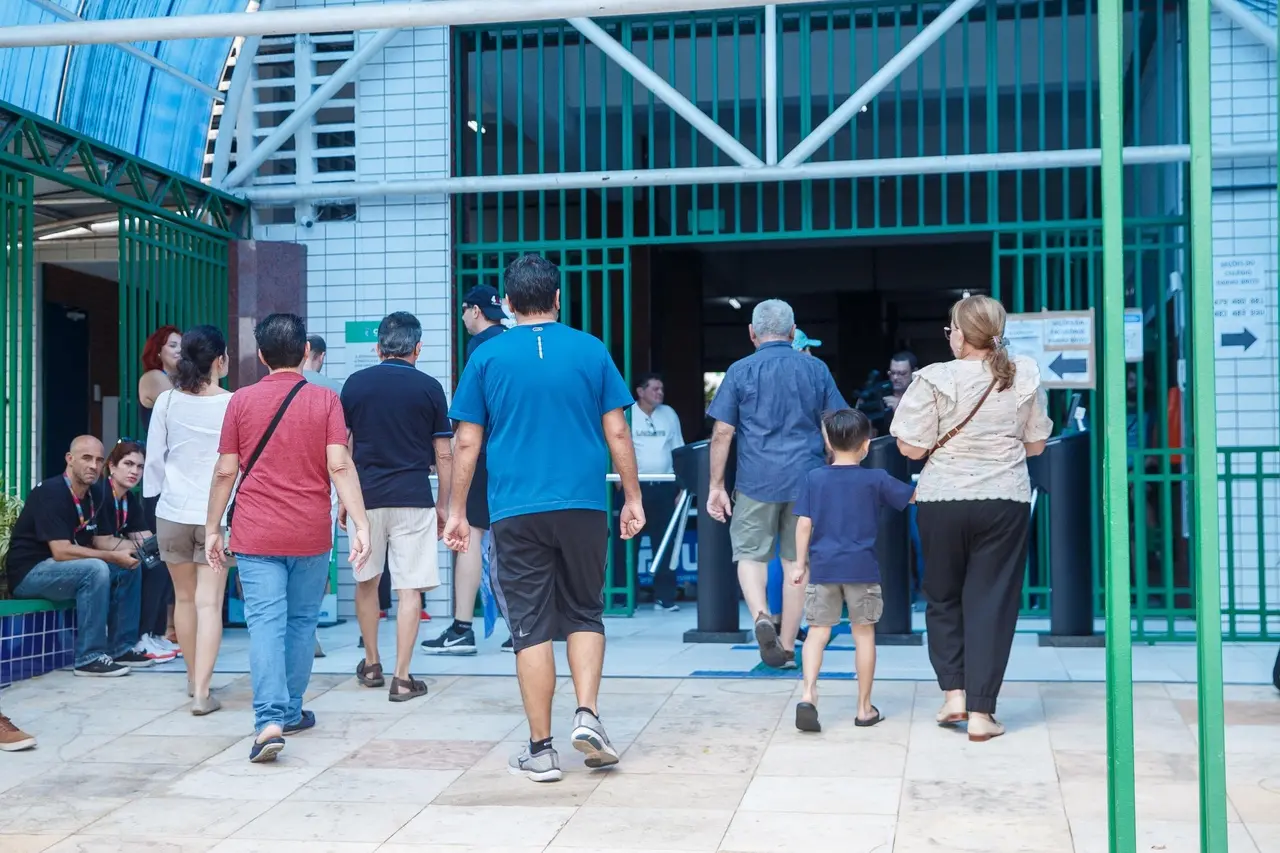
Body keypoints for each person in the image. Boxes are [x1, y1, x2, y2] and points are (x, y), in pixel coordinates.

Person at [443, 254, 645, 783]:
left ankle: (541, 750)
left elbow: (466, 439)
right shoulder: (591, 349)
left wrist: (457, 510)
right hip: (581, 504)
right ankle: (588, 715)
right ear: (558, 298)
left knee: (529, 626)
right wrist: (632, 497)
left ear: (507, 305)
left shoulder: (487, 358)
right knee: (585, 611)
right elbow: (618, 431)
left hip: (515, 510)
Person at [205, 313, 372, 763]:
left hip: (255, 533)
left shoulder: (240, 401)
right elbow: (339, 465)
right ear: (304, 353)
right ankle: (292, 710)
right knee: (301, 623)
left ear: (260, 356)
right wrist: (360, 522)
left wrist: (212, 527)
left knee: (265, 625)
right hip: (310, 534)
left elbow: (225, 470)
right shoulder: (324, 401)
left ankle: (269, 721)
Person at [890, 295, 1052, 742]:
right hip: (1003, 500)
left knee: (942, 598)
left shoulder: (933, 379)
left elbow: (911, 449)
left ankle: (954, 696)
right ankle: (982, 713)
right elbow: (1036, 444)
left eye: (951, 330)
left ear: (960, 334)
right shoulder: (1022, 375)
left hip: (942, 500)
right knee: (991, 603)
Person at [705, 298, 847, 669]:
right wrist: (834, 465)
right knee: (795, 562)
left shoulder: (739, 371)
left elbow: (722, 432)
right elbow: (835, 426)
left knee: (750, 555)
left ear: (752, 333)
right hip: (807, 482)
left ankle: (761, 616)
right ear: (792, 331)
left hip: (755, 481)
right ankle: (785, 646)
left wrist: (716, 485)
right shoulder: (815, 370)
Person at [341, 311, 452, 701]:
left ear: (378, 347)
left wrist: (344, 498)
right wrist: (445, 503)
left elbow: (345, 447)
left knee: (366, 581)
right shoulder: (429, 388)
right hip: (413, 498)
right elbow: (444, 451)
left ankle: (371, 663)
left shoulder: (355, 385)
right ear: (418, 348)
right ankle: (402, 678)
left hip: (366, 499)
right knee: (409, 589)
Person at [790, 409, 914, 733]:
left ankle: (808, 693)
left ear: (828, 442)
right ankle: (863, 708)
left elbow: (804, 524)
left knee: (817, 632)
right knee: (863, 635)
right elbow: (913, 497)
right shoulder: (876, 479)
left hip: (824, 568)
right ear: (866, 444)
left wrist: (800, 564)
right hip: (862, 568)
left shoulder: (814, 478)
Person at [6, 436, 152, 677]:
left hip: (63, 569)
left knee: (129, 567)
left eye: (98, 460)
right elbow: (61, 551)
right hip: (31, 573)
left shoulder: (95, 494)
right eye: (86, 458)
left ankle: (121, 648)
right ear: (69, 459)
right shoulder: (51, 492)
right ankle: (89, 658)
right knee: (96, 568)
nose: (93, 466)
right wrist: (111, 556)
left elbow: (97, 539)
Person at [144, 325, 234, 714]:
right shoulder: (233, 403)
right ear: (219, 360)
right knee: (209, 603)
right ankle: (202, 692)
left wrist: (159, 501)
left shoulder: (166, 402)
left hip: (172, 512)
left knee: (183, 597)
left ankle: (190, 678)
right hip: (218, 516)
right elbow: (236, 464)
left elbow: (154, 461)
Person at [423, 284, 510, 655]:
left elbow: (470, 419)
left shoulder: (480, 347)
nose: (463, 319)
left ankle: (462, 627)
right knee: (513, 538)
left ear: (474, 311)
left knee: (470, 536)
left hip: (486, 456)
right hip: (516, 455)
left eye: (464, 312)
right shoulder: (514, 339)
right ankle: (522, 626)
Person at [96, 440, 172, 665]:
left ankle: (151, 635)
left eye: (140, 466)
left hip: (111, 555)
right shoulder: (101, 494)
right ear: (112, 466)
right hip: (92, 558)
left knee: (161, 563)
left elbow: (146, 540)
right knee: (139, 565)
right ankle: (137, 638)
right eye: (128, 464)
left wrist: (162, 549)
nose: (134, 471)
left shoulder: (129, 500)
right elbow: (100, 542)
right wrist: (140, 550)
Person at [137, 325, 183, 650]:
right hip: (159, 481)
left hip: (178, 480)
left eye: (184, 346)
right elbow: (178, 408)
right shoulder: (154, 378)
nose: (179, 351)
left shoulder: (180, 383)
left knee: (176, 559)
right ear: (158, 350)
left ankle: (171, 629)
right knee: (164, 556)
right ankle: (157, 630)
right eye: (173, 346)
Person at [625, 372, 686, 612]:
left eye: (661, 389)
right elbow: (615, 445)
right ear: (640, 392)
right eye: (654, 389)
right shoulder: (627, 414)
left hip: (664, 486)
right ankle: (628, 597)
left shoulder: (669, 414)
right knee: (628, 543)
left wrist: (682, 485)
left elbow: (678, 448)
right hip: (635, 488)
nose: (660, 393)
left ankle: (665, 597)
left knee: (666, 543)